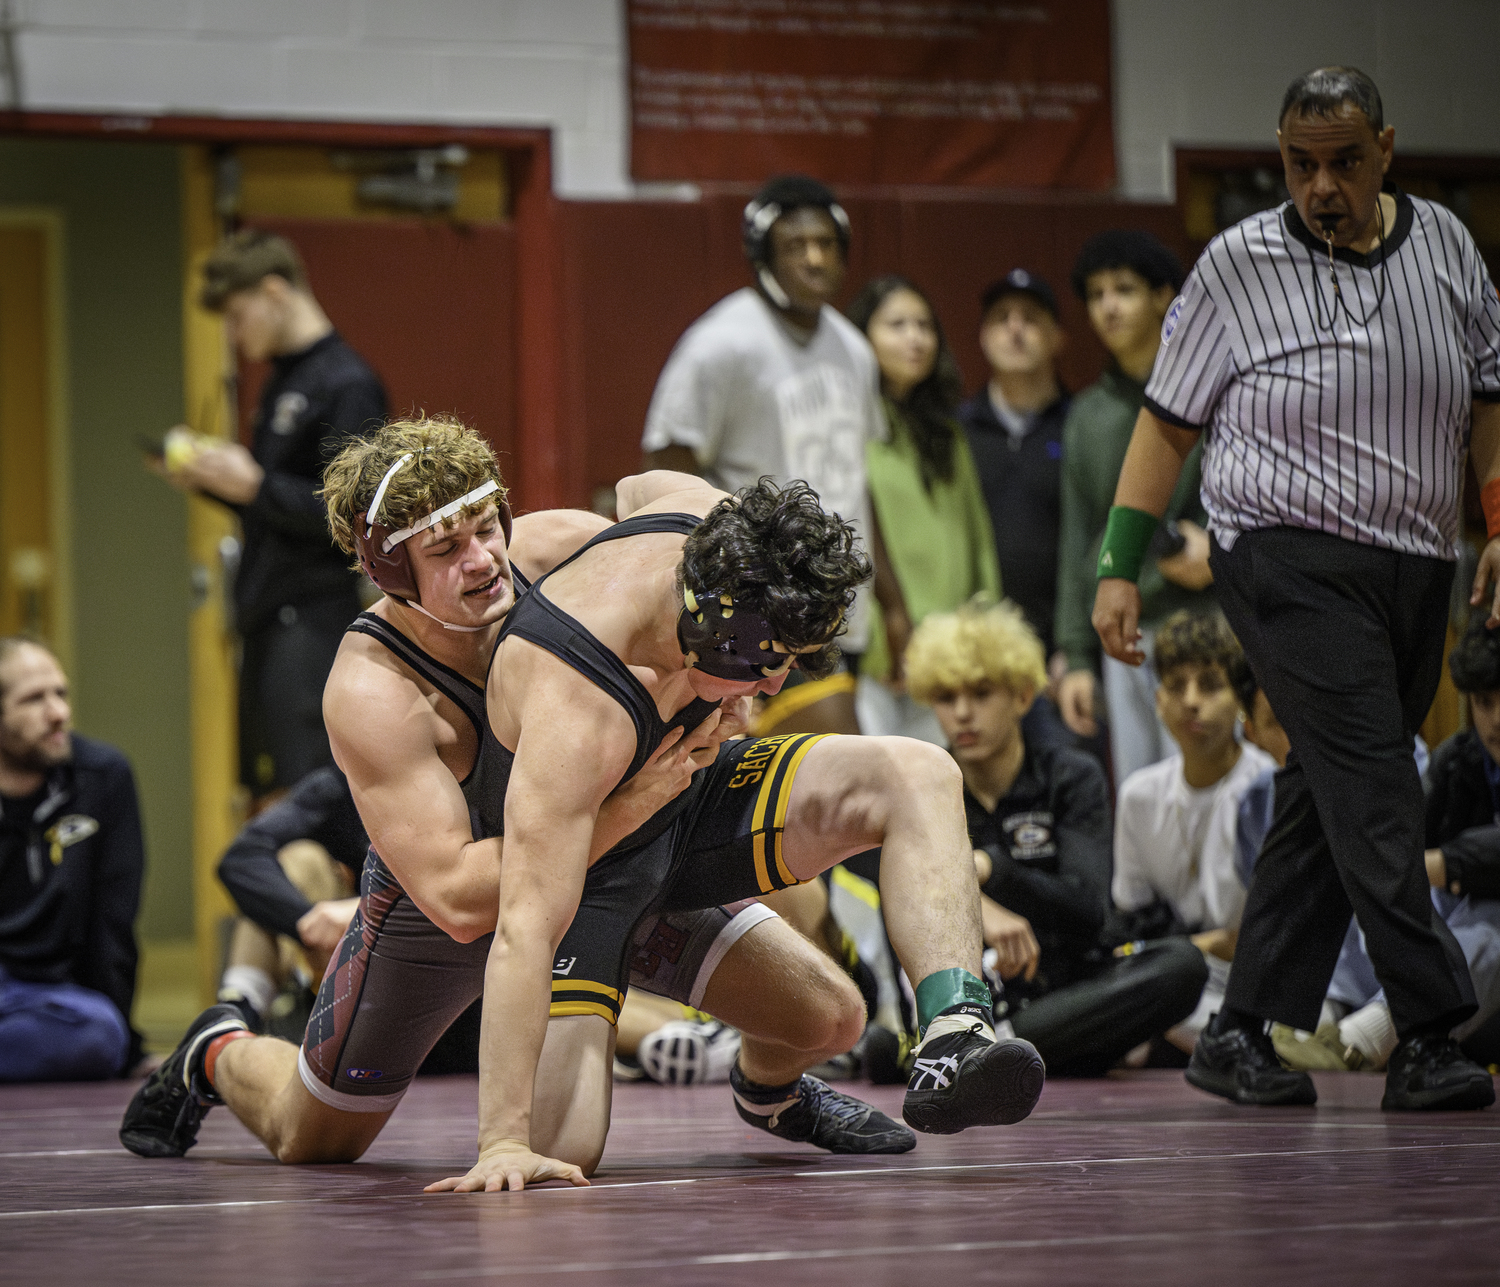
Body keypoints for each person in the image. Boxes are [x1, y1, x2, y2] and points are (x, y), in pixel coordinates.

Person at [121, 420, 899, 1172]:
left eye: (487, 525)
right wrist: (624, 806)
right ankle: (217, 1047)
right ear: (392, 572)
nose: (484, 559)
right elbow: (458, 896)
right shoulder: (374, 689)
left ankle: (771, 1094)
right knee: (313, 1134)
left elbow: (698, 596)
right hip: (454, 915)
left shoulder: (556, 545)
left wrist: (735, 688)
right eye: (446, 548)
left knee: (826, 1013)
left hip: (612, 860)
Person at [440, 469, 1048, 1194]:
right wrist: (502, 1139)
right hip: (591, 866)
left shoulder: (712, 527)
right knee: (562, 1146)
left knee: (906, 805)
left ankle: (950, 1036)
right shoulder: (579, 695)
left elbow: (634, 486)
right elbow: (523, 924)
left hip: (690, 797)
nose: (772, 691)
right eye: (764, 667)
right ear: (715, 632)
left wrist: (598, 551)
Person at [1092, 66, 1500, 1111]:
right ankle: (1433, 1030)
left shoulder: (1449, 246)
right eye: (1300, 164)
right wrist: (1117, 568)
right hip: (1285, 556)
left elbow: (1491, 390)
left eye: (1344, 163)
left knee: (1330, 797)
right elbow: (1167, 423)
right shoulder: (1236, 265)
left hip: (1415, 564)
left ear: (1388, 150)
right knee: (1379, 787)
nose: (1321, 185)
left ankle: (1237, 1032)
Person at [640, 175, 902, 736]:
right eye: (795, 245)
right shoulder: (722, 343)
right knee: (841, 769)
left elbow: (855, 483)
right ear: (763, 255)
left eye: (826, 244)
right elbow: (665, 465)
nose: (814, 259)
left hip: (840, 606)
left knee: (810, 794)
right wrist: (717, 590)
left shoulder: (854, 350)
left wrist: (894, 603)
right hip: (764, 603)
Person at [905, 599, 1208, 1077]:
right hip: (977, 995)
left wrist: (991, 869)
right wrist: (982, 906)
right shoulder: (922, 786)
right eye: (945, 697)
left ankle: (986, 1053)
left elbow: (1087, 908)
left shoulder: (1070, 776)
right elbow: (907, 898)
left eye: (981, 693)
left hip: (1076, 984)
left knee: (1182, 966)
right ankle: (997, 1046)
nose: (962, 713)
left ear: (1023, 697)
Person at [159, 229, 388, 800]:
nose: (235, 336)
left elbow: (355, 519)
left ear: (274, 290)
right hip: (267, 610)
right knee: (269, 792)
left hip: (309, 618)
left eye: (238, 317)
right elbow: (274, 504)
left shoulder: (347, 382)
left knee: (310, 795)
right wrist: (217, 484)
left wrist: (255, 484)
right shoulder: (283, 378)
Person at [1268, 616, 1500, 1073]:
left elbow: (1435, 860)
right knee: (1376, 894)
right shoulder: (1459, 760)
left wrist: (1442, 864)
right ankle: (1323, 1017)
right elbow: (1408, 849)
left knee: (1491, 921)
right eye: (1484, 701)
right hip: (1468, 955)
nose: (1496, 719)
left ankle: (1363, 1040)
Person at [1053, 231, 1207, 781]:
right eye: (1095, 295)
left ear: (1165, 296)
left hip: (1205, 625)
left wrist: (1219, 547)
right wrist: (1074, 656)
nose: (1108, 307)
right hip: (1122, 635)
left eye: (1124, 289)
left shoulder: (1208, 395)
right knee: (1139, 795)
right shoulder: (1088, 413)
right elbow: (1077, 537)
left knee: (1212, 793)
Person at [844, 275, 999, 743]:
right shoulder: (850, 428)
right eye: (897, 325)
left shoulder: (948, 434)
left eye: (925, 325)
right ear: (860, 339)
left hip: (950, 656)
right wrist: (881, 639)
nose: (915, 338)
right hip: (878, 657)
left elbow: (979, 544)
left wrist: (981, 635)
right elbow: (850, 536)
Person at [1111, 612, 1275, 1052]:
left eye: (1209, 684)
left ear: (1239, 699)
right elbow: (1133, 919)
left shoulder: (1267, 786)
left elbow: (1262, 935)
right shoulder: (1139, 795)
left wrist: (1191, 950)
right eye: (1176, 685)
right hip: (1174, 978)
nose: (1191, 701)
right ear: (1158, 698)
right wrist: (1201, 947)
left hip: (1257, 980)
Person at [0, 638, 147, 1082]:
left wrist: (125, 1044)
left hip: (56, 997)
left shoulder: (104, 778)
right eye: (33, 699)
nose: (58, 712)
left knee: (100, 1034)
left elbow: (113, 924)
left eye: (60, 694)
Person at [958, 270, 1068, 661]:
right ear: (983, 338)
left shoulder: (1079, 424)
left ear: (1059, 337)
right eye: (1002, 318)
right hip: (976, 650)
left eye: (1031, 318)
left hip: (1063, 655)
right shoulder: (958, 431)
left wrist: (1075, 650)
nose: (1015, 329)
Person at [213, 765, 365, 1034]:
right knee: (295, 864)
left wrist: (360, 910)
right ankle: (233, 1022)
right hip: (338, 958)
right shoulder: (338, 785)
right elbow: (240, 860)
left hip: (420, 947)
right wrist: (308, 921)